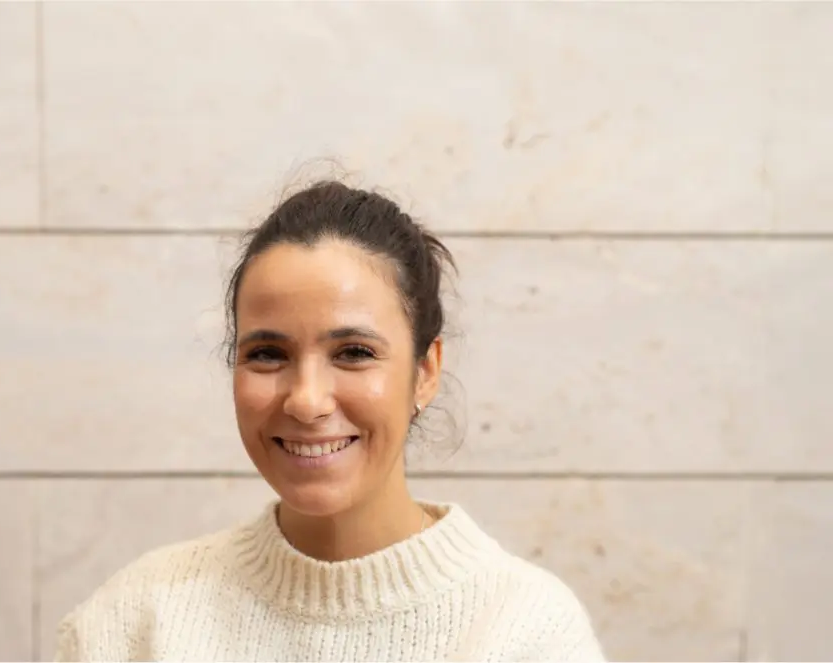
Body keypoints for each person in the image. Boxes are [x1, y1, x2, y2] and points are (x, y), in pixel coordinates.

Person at [54, 181, 605, 662]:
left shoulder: (527, 632)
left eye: (354, 353)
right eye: (268, 354)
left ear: (426, 371)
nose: (307, 401)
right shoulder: (135, 623)